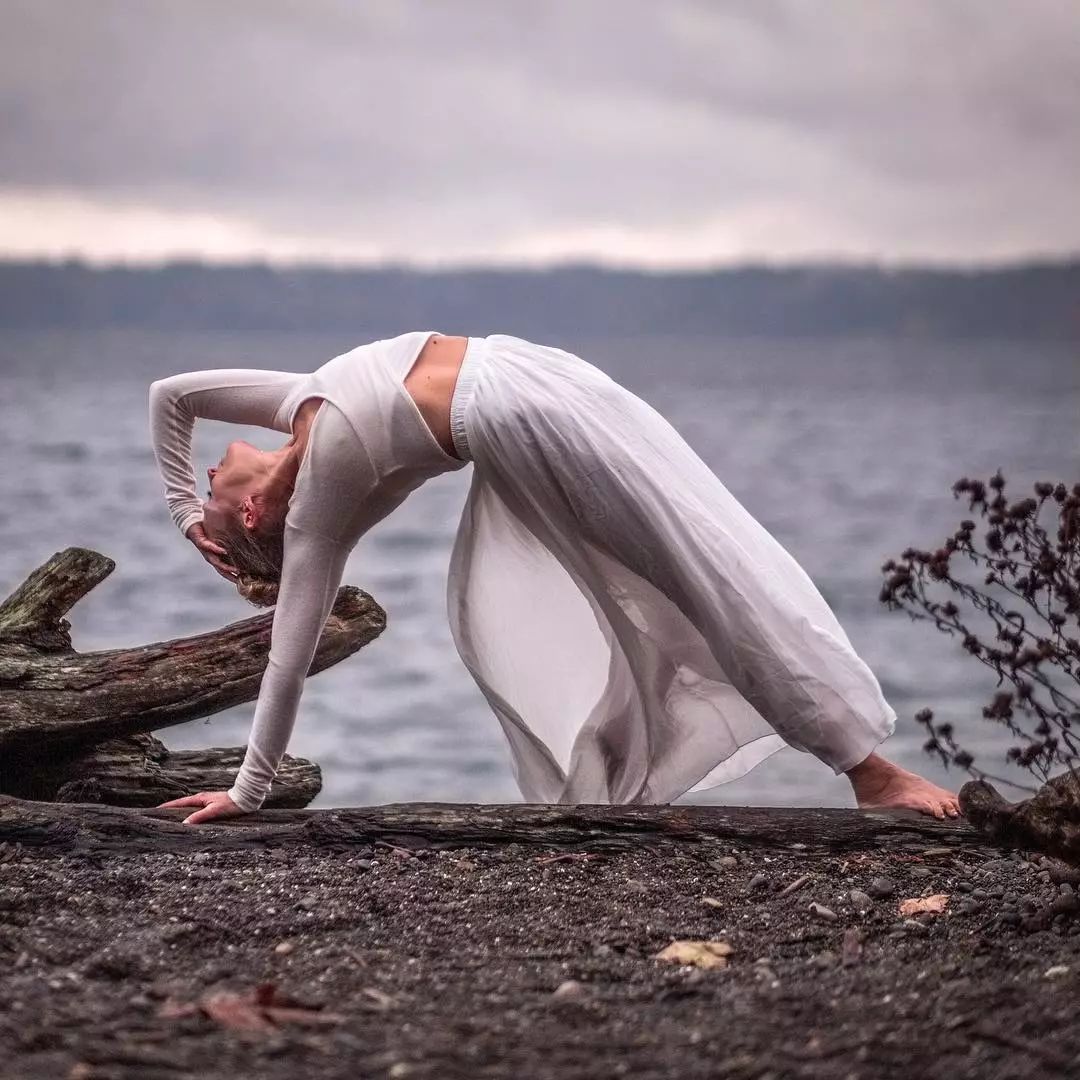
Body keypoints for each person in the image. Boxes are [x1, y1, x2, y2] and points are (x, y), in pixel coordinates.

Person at [149, 331, 961, 825]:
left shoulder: (299, 406)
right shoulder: (317, 508)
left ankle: (623, 770)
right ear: (254, 518)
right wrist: (249, 792)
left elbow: (171, 396)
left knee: (719, 549)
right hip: (530, 423)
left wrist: (189, 519)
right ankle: (870, 772)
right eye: (213, 490)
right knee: (706, 580)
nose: (211, 464)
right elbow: (286, 662)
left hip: (540, 371)